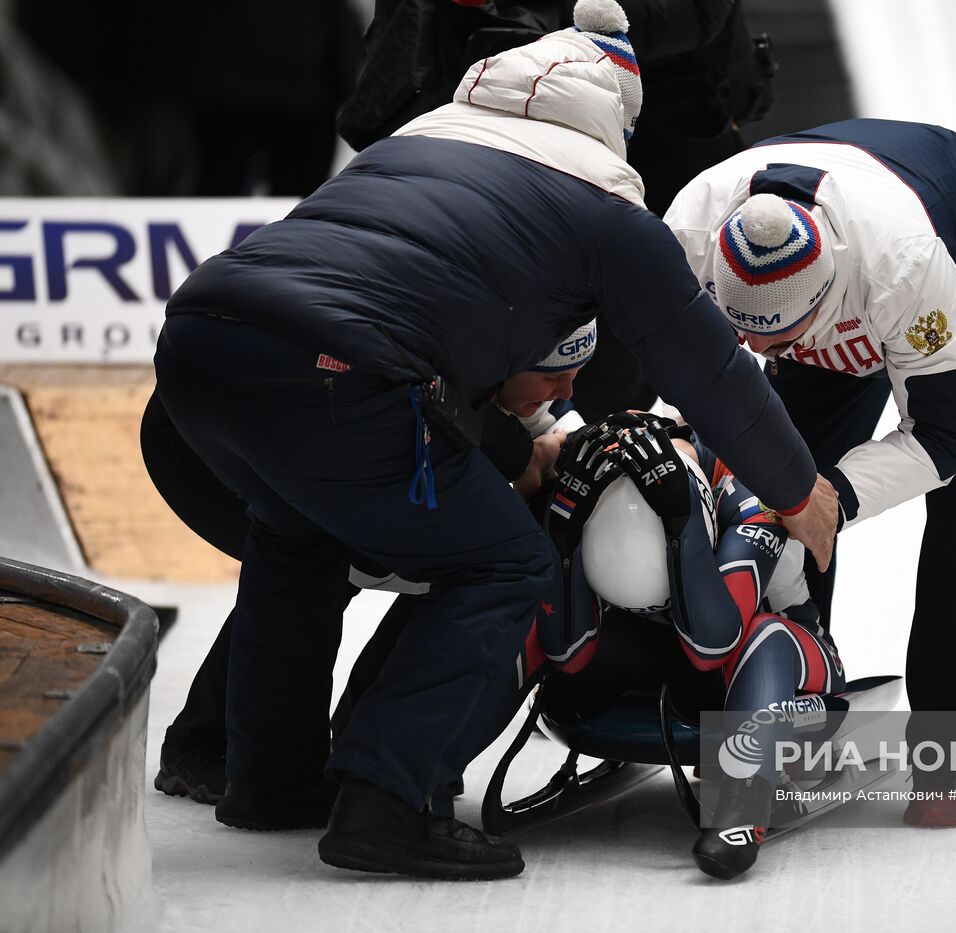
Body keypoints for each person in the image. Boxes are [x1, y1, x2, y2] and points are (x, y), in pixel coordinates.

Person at [154, 0, 836, 881]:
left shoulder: (417, 142)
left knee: (299, 538)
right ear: (614, 118)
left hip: (199, 345)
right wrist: (795, 488)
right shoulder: (600, 204)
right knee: (505, 564)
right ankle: (389, 799)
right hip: (334, 370)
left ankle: (271, 780)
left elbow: (422, 319)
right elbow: (710, 368)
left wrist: (518, 453)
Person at [663, 118, 956, 828]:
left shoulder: (905, 271)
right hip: (841, 267)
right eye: (737, 330)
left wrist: (829, 497)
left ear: (820, 310)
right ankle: (789, 694)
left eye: (769, 340)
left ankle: (944, 753)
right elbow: (669, 363)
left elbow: (945, 437)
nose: (749, 350)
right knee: (770, 497)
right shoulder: (688, 230)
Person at [147, 323, 595, 808]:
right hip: (207, 435)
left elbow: (556, 425)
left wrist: (577, 444)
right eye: (553, 377)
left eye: (574, 374)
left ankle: (368, 741)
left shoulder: (505, 347)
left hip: (298, 406)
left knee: (472, 550)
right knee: (316, 556)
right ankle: (202, 741)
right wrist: (521, 456)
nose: (566, 388)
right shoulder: (441, 351)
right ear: (502, 362)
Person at [336, 0, 778, 420]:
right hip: (475, 146)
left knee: (621, 352)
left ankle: (589, 460)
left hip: (647, 148)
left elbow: (695, 15)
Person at [505, 412, 842, 880]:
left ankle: (743, 807)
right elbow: (568, 650)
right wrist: (563, 541)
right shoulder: (582, 473)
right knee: (515, 620)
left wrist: (681, 526)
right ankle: (426, 770)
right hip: (654, 656)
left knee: (768, 636)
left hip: (766, 659)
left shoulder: (751, 487)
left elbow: (711, 645)